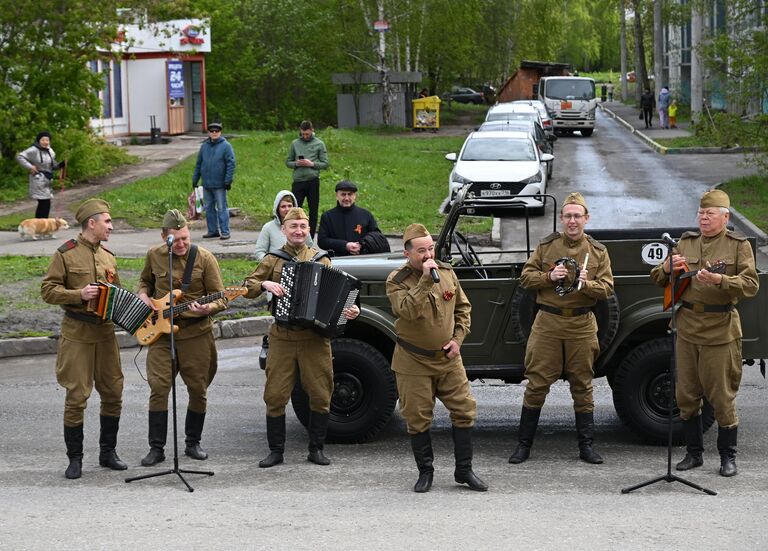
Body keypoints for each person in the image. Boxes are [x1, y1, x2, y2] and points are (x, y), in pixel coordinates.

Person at [650, 189, 758, 477]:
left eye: (709, 214)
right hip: (686, 326)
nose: (703, 218)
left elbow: (750, 285)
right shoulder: (686, 242)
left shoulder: (738, 245)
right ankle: (693, 454)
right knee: (686, 394)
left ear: (724, 217)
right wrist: (666, 266)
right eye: (700, 213)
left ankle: (727, 457)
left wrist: (720, 279)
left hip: (720, 329)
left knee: (721, 396)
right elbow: (659, 279)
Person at [244, 207, 359, 468]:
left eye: (303, 227)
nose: (298, 231)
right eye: (293, 226)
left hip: (315, 339)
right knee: (275, 395)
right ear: (283, 229)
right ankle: (276, 451)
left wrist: (350, 310)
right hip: (282, 337)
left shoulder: (321, 259)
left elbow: (339, 297)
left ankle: (316, 449)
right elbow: (247, 286)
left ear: (309, 230)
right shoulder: (273, 259)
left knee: (320, 393)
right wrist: (264, 284)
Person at [509, 192, 614, 466]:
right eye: (568, 216)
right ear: (561, 218)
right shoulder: (547, 247)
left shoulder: (598, 252)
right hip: (548, 323)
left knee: (582, 384)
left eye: (577, 216)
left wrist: (587, 283)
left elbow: (607, 289)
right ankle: (523, 445)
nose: (572, 221)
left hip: (581, 323)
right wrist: (548, 276)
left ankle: (586, 447)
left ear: (586, 219)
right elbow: (526, 277)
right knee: (537, 383)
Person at [386, 223, 487, 493]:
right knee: (417, 418)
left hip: (448, 358)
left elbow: (463, 308)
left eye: (431, 248)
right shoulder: (396, 281)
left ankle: (464, 470)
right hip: (413, 361)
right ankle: (425, 472)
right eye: (422, 251)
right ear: (408, 254)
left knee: (465, 411)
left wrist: (457, 340)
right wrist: (423, 281)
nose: (428, 254)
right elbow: (406, 310)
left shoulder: (446, 272)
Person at [41, 198, 126, 479]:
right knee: (76, 397)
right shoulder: (65, 253)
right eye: (107, 222)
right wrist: (79, 294)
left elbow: (117, 294)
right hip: (77, 333)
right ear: (92, 223)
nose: (111, 227)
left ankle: (108, 453)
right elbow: (48, 290)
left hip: (105, 334)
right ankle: (74, 458)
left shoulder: (108, 256)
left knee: (113, 393)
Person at [136, 209, 228, 466]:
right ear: (164, 236)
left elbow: (221, 297)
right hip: (161, 335)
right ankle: (156, 448)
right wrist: (143, 294)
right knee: (158, 388)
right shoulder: (154, 255)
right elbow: (144, 282)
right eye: (175, 239)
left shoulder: (205, 258)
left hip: (196, 333)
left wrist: (207, 308)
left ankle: (192, 443)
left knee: (198, 389)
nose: (181, 244)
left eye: (185, 238)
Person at [317, 180, 387, 257]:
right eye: (343, 194)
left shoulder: (366, 215)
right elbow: (322, 241)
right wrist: (345, 245)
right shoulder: (327, 216)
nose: (346, 198)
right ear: (337, 196)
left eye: (350, 194)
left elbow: (377, 237)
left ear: (355, 196)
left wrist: (362, 245)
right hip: (337, 260)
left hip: (362, 259)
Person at [193, 122, 236, 240]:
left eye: (216, 131)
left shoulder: (226, 146)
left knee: (222, 208)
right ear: (209, 133)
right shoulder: (204, 146)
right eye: (212, 131)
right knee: (209, 208)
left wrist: (228, 180)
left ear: (220, 132)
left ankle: (225, 232)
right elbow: (199, 164)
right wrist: (195, 179)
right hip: (206, 184)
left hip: (220, 184)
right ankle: (212, 231)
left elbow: (231, 164)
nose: (214, 133)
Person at [285, 120, 329, 237]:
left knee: (313, 210)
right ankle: (294, 235)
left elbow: (325, 163)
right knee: (295, 210)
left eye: (307, 134)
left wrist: (312, 164)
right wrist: (296, 163)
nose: (305, 136)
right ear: (300, 132)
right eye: (303, 134)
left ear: (312, 131)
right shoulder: (295, 143)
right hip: (298, 181)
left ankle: (310, 237)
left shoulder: (319, 144)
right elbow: (288, 162)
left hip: (312, 181)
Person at [253, 190, 314, 261]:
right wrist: (270, 264)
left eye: (290, 206)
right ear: (277, 208)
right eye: (283, 206)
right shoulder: (268, 227)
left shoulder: (300, 226)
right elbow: (259, 252)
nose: (287, 209)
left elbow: (310, 248)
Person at [17, 131, 66, 219]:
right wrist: (30, 167)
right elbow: (20, 157)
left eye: (47, 140)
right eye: (43, 140)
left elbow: (51, 165)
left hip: (48, 180)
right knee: (45, 202)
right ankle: (42, 226)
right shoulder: (34, 150)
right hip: (38, 179)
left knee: (44, 203)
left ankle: (40, 226)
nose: (45, 142)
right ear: (39, 140)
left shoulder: (50, 151)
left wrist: (60, 165)